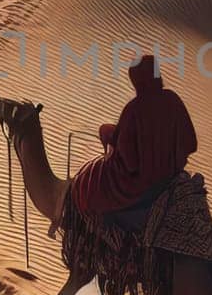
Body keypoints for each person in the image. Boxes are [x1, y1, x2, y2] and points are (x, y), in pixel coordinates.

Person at [70, 55, 198, 232]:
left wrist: (112, 150)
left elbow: (130, 163)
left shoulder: (134, 109)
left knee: (89, 191)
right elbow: (191, 143)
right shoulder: (172, 99)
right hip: (171, 177)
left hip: (139, 188)